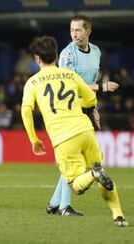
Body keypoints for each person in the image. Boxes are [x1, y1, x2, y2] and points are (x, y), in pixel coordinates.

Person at [21, 35, 127, 227]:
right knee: (100, 169)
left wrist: (34, 139)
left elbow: (26, 110)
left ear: (37, 59)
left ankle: (92, 176)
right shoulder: (70, 75)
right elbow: (90, 100)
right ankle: (118, 216)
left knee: (76, 186)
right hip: (85, 130)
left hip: (64, 138)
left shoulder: (33, 82)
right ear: (55, 55)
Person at [46, 15, 120, 216]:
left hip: (83, 108)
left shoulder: (95, 52)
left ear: (89, 31)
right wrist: (101, 87)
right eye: (71, 30)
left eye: (78, 30)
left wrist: (93, 106)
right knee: (75, 159)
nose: (74, 34)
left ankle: (55, 204)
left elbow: (89, 86)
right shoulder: (67, 54)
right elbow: (70, 85)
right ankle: (63, 206)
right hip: (68, 109)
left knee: (75, 159)